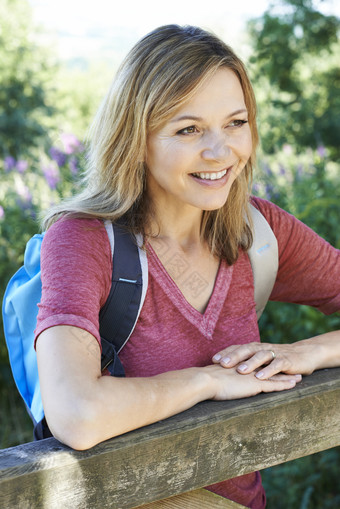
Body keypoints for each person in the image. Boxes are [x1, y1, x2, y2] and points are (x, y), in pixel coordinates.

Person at [34, 25, 340, 509]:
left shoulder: (257, 232)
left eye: (236, 123)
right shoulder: (83, 239)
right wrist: (208, 381)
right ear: (136, 137)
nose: (221, 152)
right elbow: (76, 413)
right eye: (188, 129)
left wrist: (309, 352)